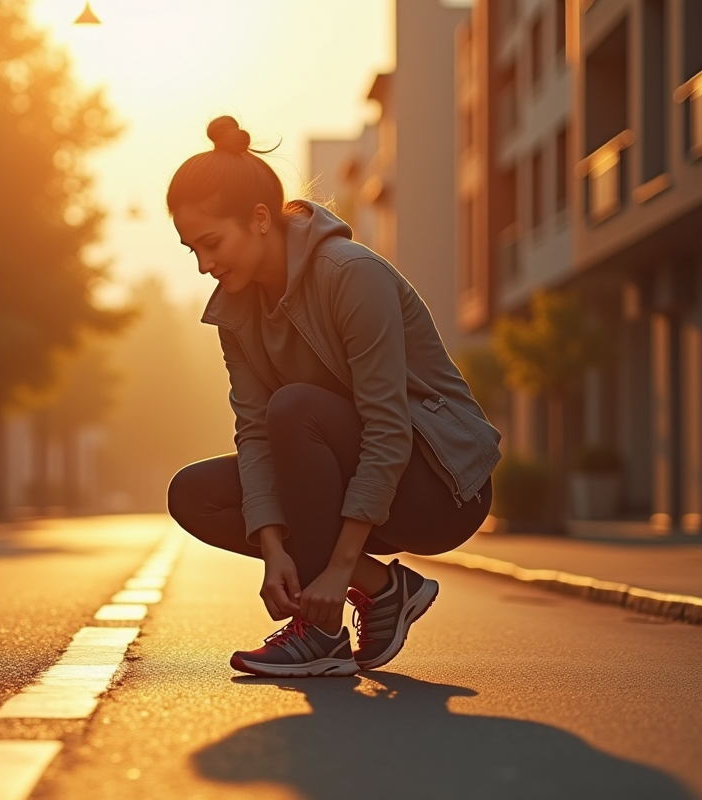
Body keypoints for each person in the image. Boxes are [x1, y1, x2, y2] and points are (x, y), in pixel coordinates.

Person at [165, 117, 501, 677]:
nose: (204, 264)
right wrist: (275, 549)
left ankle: (320, 633)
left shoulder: (350, 275)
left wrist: (336, 567)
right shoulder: (235, 311)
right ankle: (384, 589)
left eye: (212, 243)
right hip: (347, 482)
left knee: (295, 407)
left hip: (440, 486)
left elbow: (387, 429)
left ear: (260, 219)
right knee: (194, 494)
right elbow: (254, 436)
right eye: (191, 249)